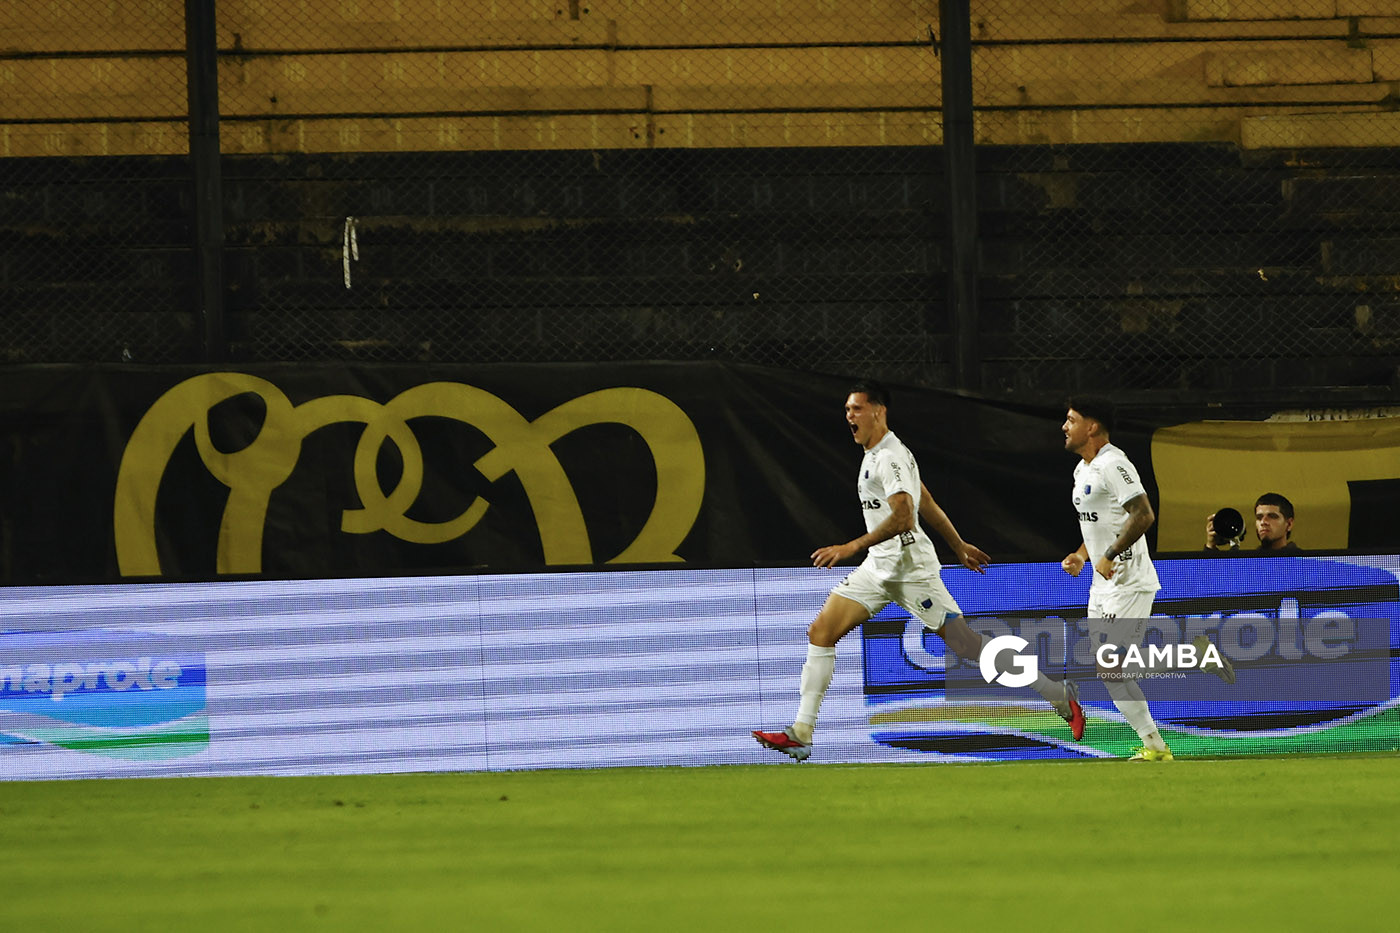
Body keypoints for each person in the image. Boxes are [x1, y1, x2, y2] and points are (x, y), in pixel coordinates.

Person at [752, 380, 1084, 762]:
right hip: (879, 568)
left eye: (857, 409)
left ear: (879, 411)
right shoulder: (881, 453)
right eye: (847, 410)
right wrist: (958, 545)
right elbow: (926, 500)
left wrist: (851, 546)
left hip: (911, 570)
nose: (849, 417)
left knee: (969, 647)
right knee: (821, 631)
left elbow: (906, 517)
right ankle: (802, 732)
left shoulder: (890, 457)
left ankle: (1058, 694)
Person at [1060, 396, 1175, 762]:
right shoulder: (1083, 470)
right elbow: (1100, 525)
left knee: (1111, 665)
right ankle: (1154, 746)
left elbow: (1142, 514)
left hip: (1129, 580)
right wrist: (1082, 554)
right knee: (1109, 669)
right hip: (1102, 583)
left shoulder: (1114, 463)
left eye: (1071, 420)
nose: (1065, 427)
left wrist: (1108, 555)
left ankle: (1156, 746)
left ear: (1091, 427)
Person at [1205, 493, 1302, 554]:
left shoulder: (1305, 563)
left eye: (1272, 516)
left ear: (1289, 524)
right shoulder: (1249, 564)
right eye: (1259, 517)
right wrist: (1211, 546)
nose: (1263, 522)